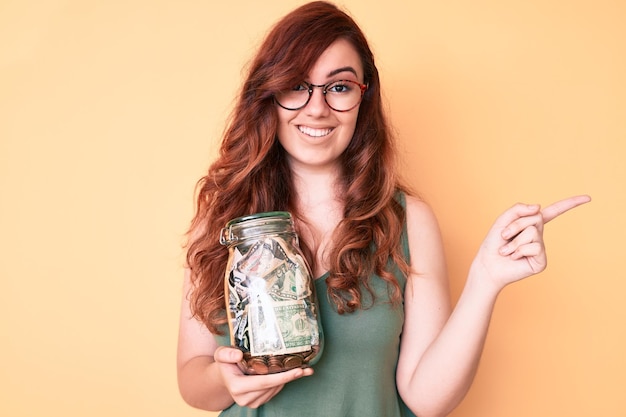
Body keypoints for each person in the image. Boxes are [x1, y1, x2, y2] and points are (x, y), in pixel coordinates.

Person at [176, 2, 590, 416]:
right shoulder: (221, 220)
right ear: (269, 92)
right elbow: (193, 380)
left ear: (363, 96)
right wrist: (223, 377)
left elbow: (427, 400)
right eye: (296, 85)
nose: (317, 107)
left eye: (339, 87)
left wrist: (485, 280)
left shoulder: (407, 220)